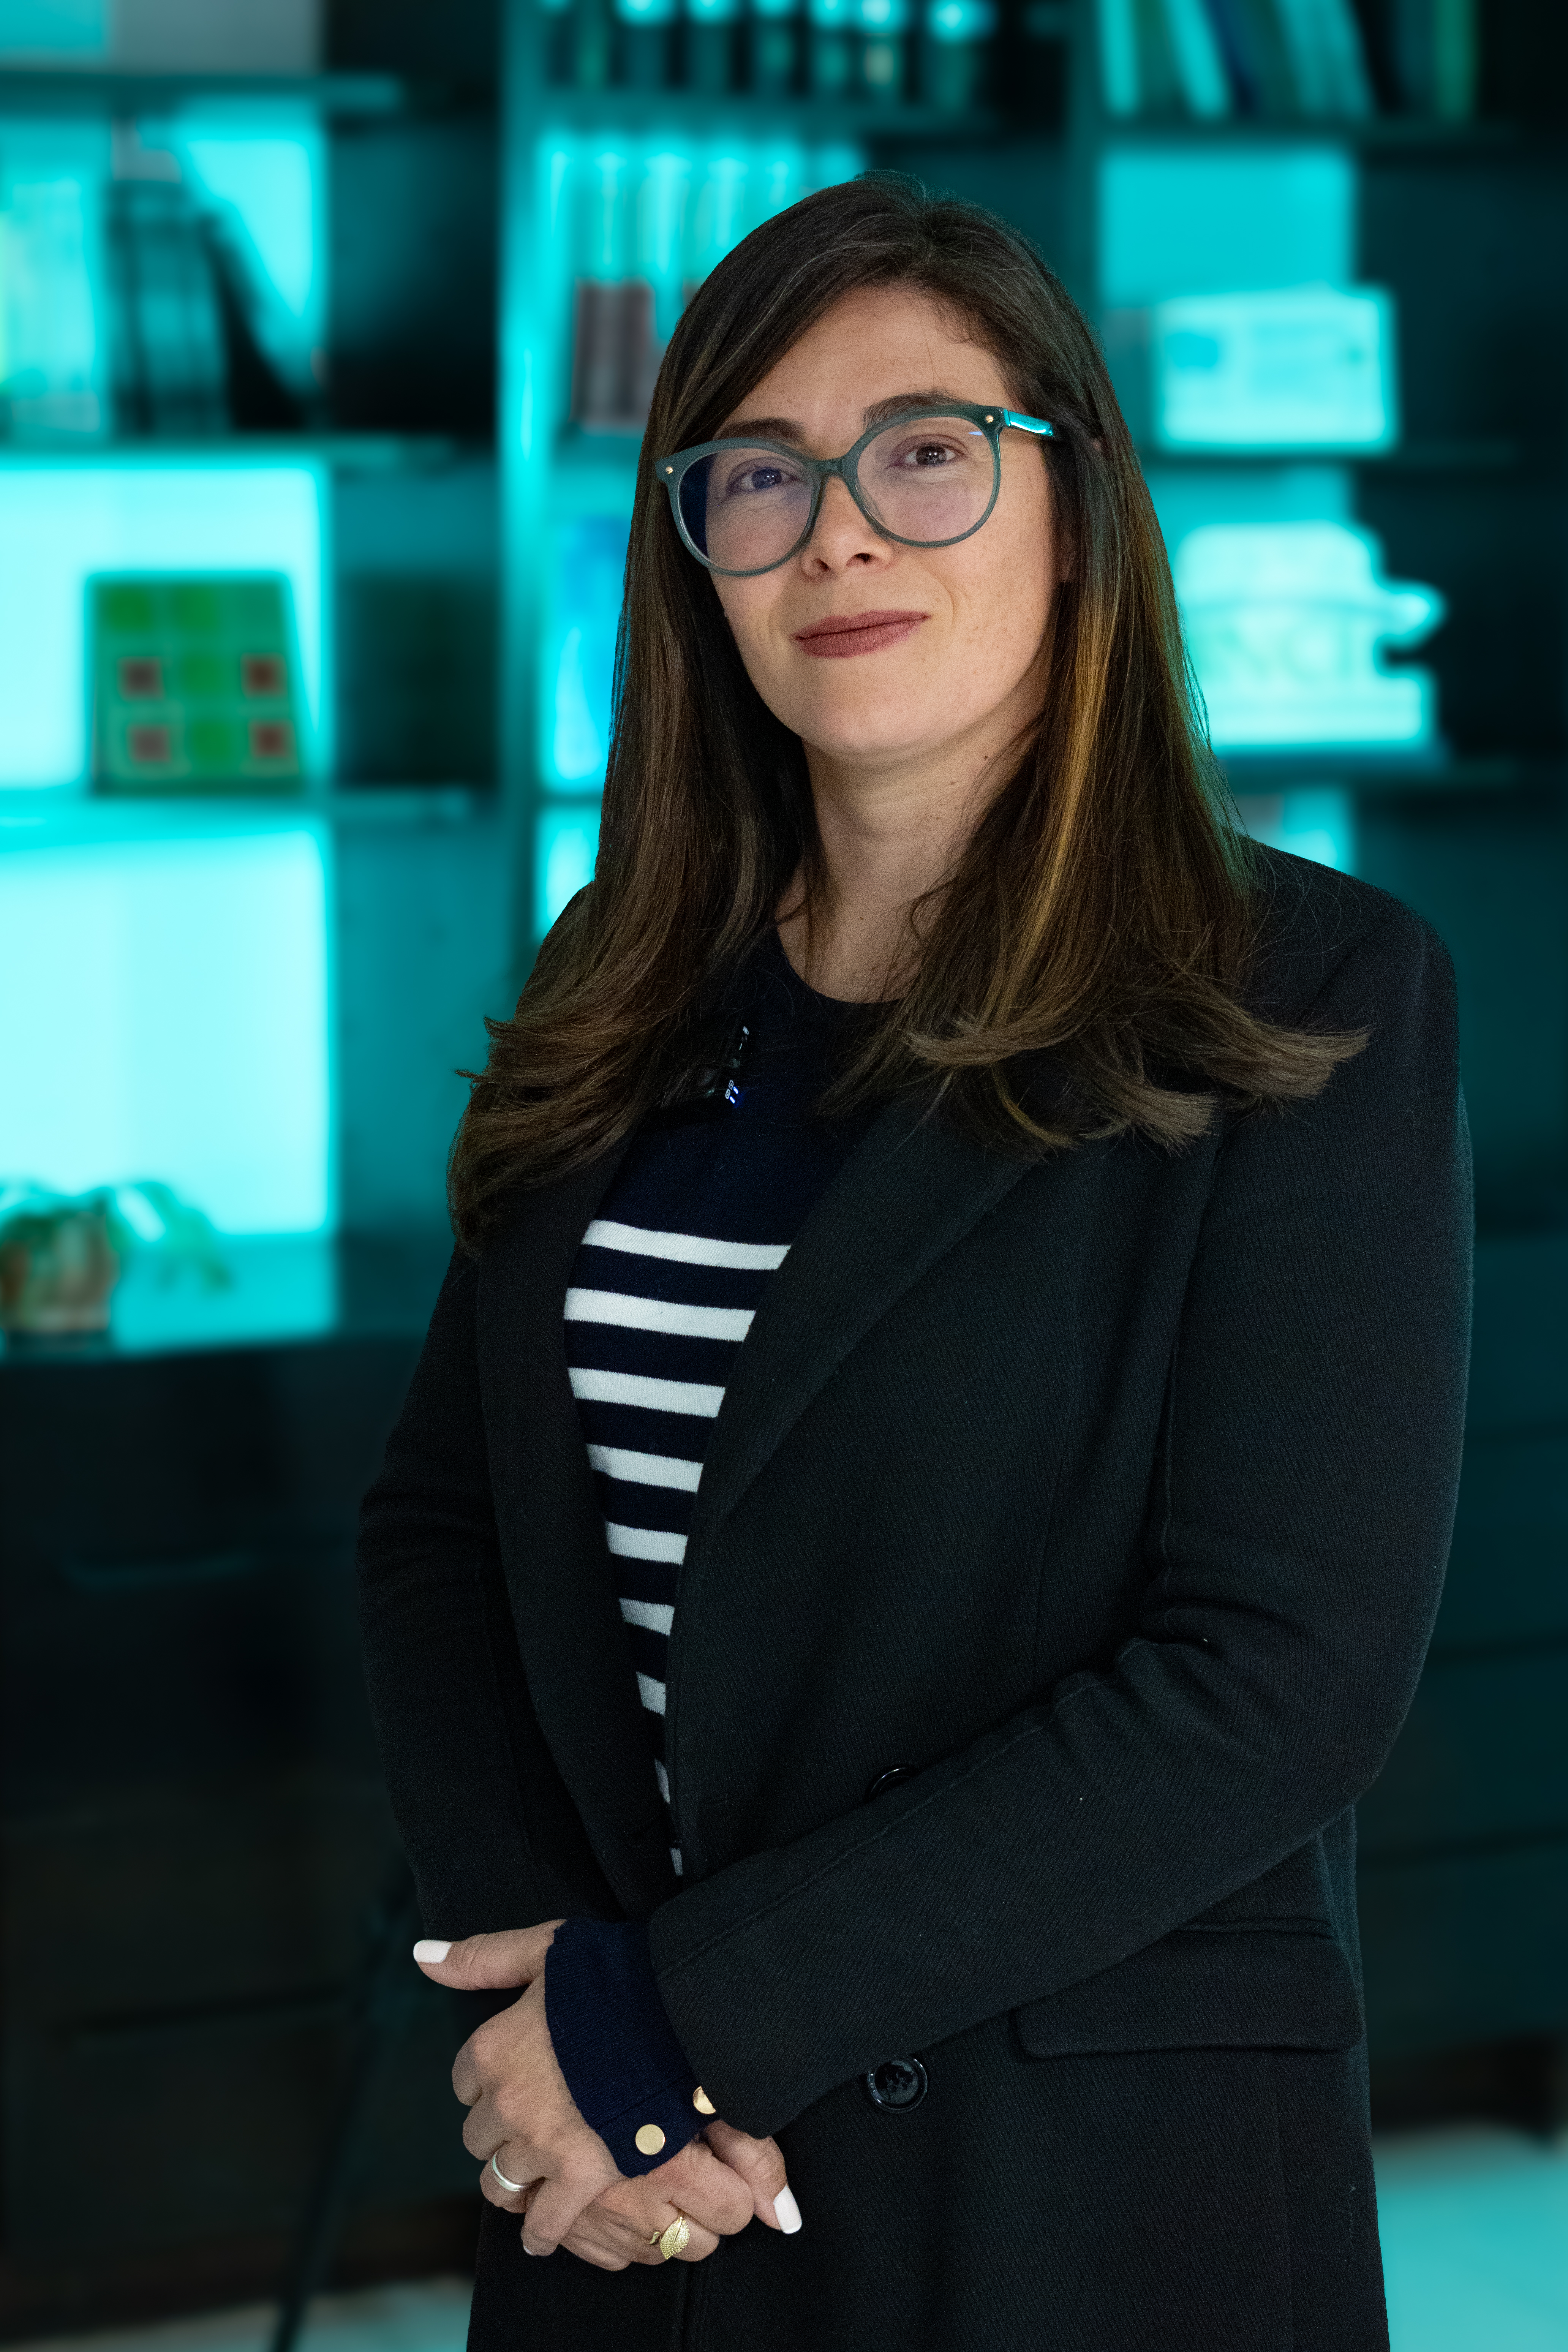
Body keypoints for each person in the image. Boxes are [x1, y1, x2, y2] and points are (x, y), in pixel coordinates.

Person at [357, 174, 1472, 2352]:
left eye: (926, 455)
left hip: (1069, 2181)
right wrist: (557, 2003)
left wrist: (688, 2019)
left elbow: (1277, 1681)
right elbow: (443, 1535)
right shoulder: (621, 981)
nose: (840, 534)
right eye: (758, 477)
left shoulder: (1312, 990)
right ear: (700, 565)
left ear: (1077, 507)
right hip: (641, 2198)